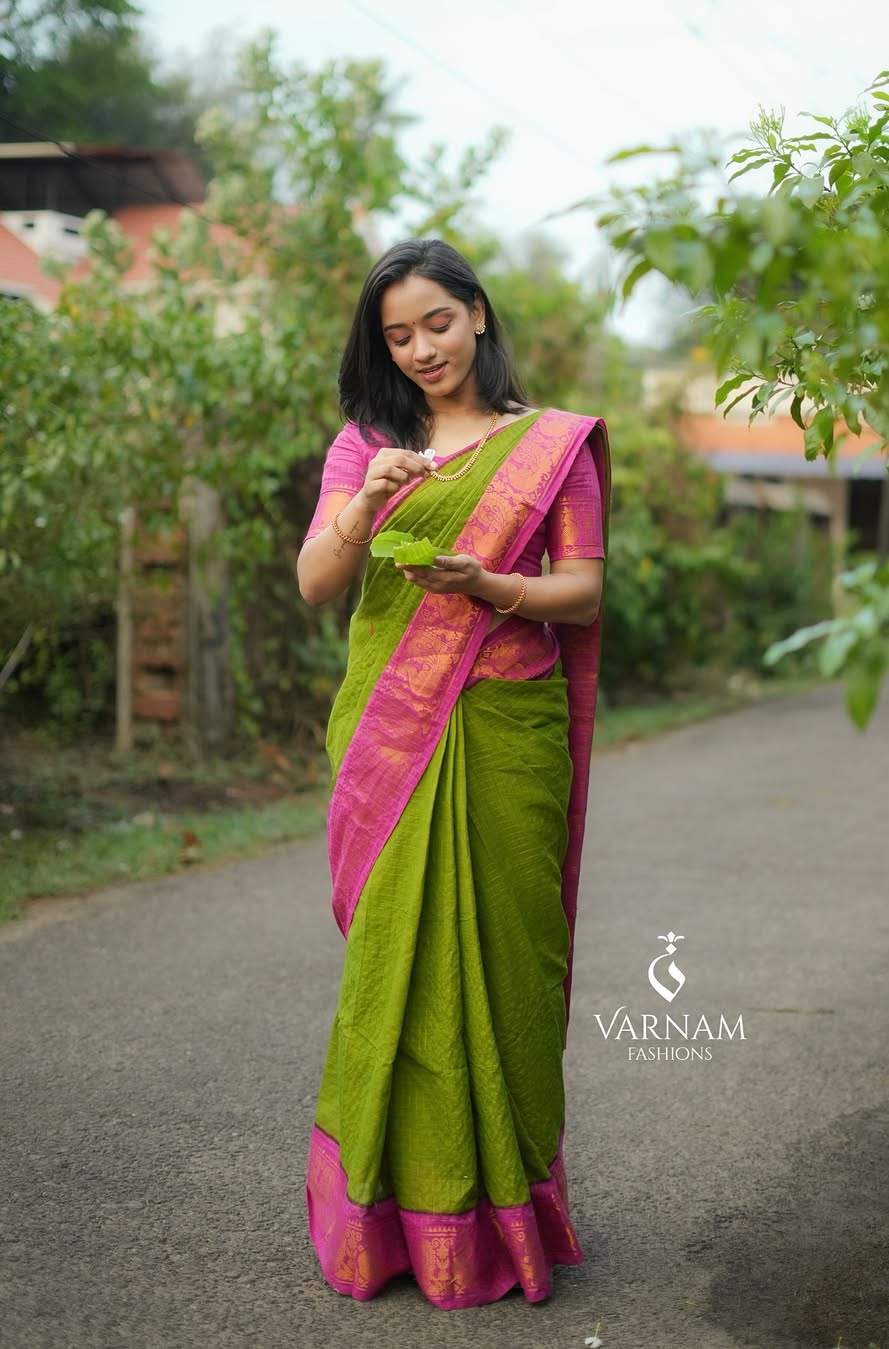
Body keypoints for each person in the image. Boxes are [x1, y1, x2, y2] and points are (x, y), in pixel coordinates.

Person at [295, 238, 609, 1311]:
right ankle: (388, 1218)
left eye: (437, 322)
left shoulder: (550, 446)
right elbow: (316, 581)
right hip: (391, 737)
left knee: (510, 966)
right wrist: (362, 505)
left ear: (477, 313)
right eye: (398, 336)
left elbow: (583, 590)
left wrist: (490, 585)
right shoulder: (367, 444)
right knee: (394, 966)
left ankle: (503, 1216)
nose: (422, 348)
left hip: (510, 729)